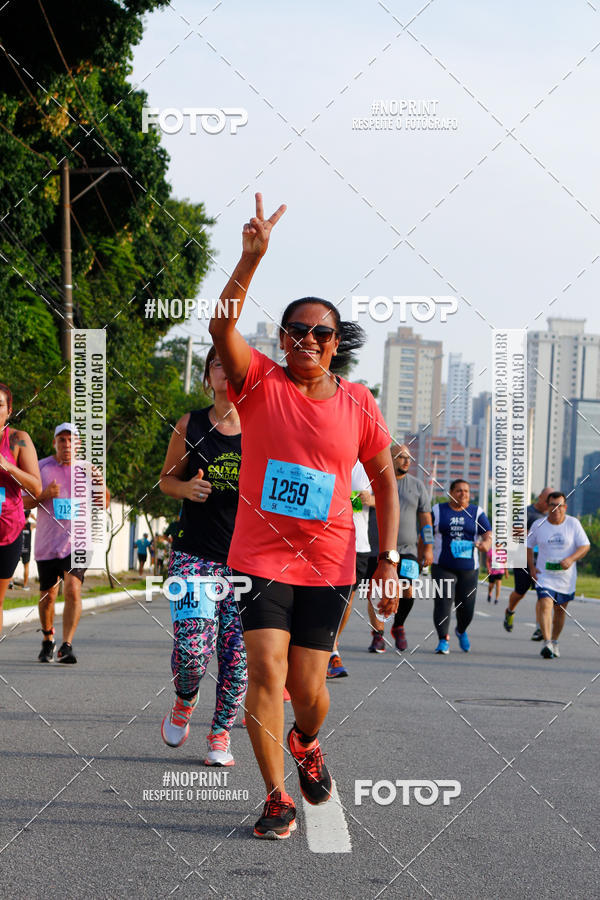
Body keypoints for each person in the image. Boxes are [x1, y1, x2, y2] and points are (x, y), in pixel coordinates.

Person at [209, 193, 400, 840]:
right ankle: (275, 797)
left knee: (310, 689)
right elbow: (222, 329)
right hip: (260, 556)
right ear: (282, 339)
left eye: (322, 333)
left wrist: (390, 559)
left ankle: (307, 741)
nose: (309, 340)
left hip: (328, 561)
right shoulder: (260, 382)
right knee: (265, 670)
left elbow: (384, 481)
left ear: (336, 343)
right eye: (296, 330)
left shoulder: (359, 403)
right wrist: (250, 258)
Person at [159, 346, 247, 766]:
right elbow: (165, 480)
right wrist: (186, 488)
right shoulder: (190, 424)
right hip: (195, 555)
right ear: (207, 375)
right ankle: (185, 696)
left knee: (237, 658)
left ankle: (220, 735)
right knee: (193, 651)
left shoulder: (263, 428)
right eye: (217, 364)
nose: (225, 371)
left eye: (232, 365)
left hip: (249, 561)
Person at [29, 423, 109, 664]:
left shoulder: (87, 469)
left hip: (78, 542)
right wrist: (44, 495)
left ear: (78, 444)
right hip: (47, 543)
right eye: (62, 440)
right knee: (48, 596)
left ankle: (67, 645)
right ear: (54, 443)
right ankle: (47, 638)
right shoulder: (41, 467)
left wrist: (99, 482)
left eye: (71, 440)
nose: (66, 444)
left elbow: (103, 502)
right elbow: (24, 501)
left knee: (73, 589)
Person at [367, 444, 433, 653]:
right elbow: (356, 504)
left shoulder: (417, 486)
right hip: (376, 549)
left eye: (409, 458)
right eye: (401, 456)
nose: (406, 461)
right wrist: (369, 501)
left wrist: (428, 547)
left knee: (407, 589)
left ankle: (399, 625)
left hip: (408, 550)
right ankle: (378, 634)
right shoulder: (375, 481)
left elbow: (426, 520)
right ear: (390, 458)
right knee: (377, 591)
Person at [431, 479, 492, 654]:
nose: (463, 494)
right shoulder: (438, 510)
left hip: (468, 568)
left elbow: (488, 533)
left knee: (467, 607)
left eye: (466, 491)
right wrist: (425, 551)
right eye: (459, 490)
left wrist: (486, 544)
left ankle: (461, 630)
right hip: (442, 565)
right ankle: (443, 639)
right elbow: (426, 530)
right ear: (450, 493)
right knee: (443, 602)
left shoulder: (476, 512)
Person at [326, 460, 374, 678]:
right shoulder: (327, 458)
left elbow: (388, 496)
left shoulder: (367, 465)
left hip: (357, 545)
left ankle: (331, 646)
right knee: (322, 597)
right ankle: (325, 650)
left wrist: (370, 500)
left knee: (346, 600)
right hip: (324, 540)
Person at [527, 492, 590, 659]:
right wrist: (531, 567)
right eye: (552, 505)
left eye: (559, 506)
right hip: (544, 575)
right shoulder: (538, 525)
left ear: (565, 507)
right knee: (545, 603)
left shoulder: (573, 524)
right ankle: (547, 642)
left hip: (565, 578)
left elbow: (585, 546)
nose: (556, 509)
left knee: (560, 611)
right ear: (547, 506)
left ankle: (554, 641)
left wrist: (571, 559)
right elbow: (528, 545)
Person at [0, 383, 41, 634]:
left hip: (7, 532)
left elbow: (36, 487)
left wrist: (7, 466)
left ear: (9, 410)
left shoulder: (18, 439)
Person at [503, 487, 551, 639]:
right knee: (520, 592)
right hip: (522, 558)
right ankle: (510, 610)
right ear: (540, 497)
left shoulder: (551, 517)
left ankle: (539, 628)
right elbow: (515, 532)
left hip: (542, 561)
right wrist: (535, 533)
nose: (549, 505)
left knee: (542, 594)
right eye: (547, 501)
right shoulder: (526, 512)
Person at [19, 511, 35, 589]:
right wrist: (34, 517)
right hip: (27, 549)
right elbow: (40, 523)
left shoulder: (18, 523)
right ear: (29, 516)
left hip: (18, 548)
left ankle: (10, 582)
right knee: (26, 567)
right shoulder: (31, 525)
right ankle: (25, 585)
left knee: (12, 565)